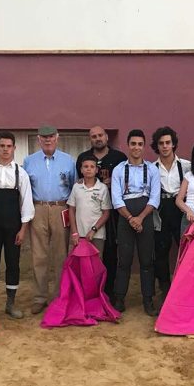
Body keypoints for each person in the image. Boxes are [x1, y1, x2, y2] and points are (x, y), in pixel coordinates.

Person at [0, 131, 35, 319]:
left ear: (14, 148)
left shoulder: (21, 173)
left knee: (13, 264)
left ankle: (10, 304)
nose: (5, 149)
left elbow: (26, 203)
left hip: (13, 226)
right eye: (2, 146)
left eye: (8, 146)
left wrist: (23, 229)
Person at [23, 125, 76, 314]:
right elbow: (24, 189)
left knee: (61, 254)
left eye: (51, 136)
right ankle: (39, 297)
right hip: (37, 208)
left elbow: (74, 188)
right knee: (39, 255)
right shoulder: (28, 161)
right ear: (38, 139)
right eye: (44, 137)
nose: (48, 140)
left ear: (57, 138)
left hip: (60, 208)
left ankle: (59, 296)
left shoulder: (68, 161)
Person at [111, 129, 161, 315]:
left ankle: (148, 300)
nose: (136, 147)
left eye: (140, 144)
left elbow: (155, 198)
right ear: (128, 145)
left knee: (147, 260)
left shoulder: (152, 170)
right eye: (133, 144)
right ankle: (120, 298)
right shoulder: (118, 169)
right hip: (125, 217)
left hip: (145, 216)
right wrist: (131, 218)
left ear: (144, 146)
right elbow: (116, 199)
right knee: (123, 260)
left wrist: (140, 218)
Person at [76, 126, 127, 298]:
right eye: (93, 136)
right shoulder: (83, 158)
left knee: (111, 253)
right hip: (89, 214)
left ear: (106, 137)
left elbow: (127, 183)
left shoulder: (119, 158)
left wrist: (115, 183)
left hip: (115, 212)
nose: (97, 138)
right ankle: (89, 292)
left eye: (100, 135)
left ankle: (109, 292)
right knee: (87, 257)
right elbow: (80, 184)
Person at [152, 126, 192, 299]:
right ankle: (165, 289)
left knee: (185, 250)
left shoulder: (187, 166)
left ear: (174, 144)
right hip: (160, 210)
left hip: (180, 209)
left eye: (168, 142)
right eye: (161, 143)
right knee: (161, 252)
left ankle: (184, 288)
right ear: (157, 146)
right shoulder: (152, 167)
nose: (165, 146)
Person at [68, 155, 112, 255]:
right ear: (81, 170)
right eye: (86, 166)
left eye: (92, 167)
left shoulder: (102, 188)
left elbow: (106, 213)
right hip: (79, 234)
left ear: (96, 170)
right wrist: (74, 232)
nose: (89, 169)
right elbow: (71, 210)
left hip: (97, 235)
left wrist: (94, 230)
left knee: (96, 264)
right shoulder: (76, 187)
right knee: (79, 264)